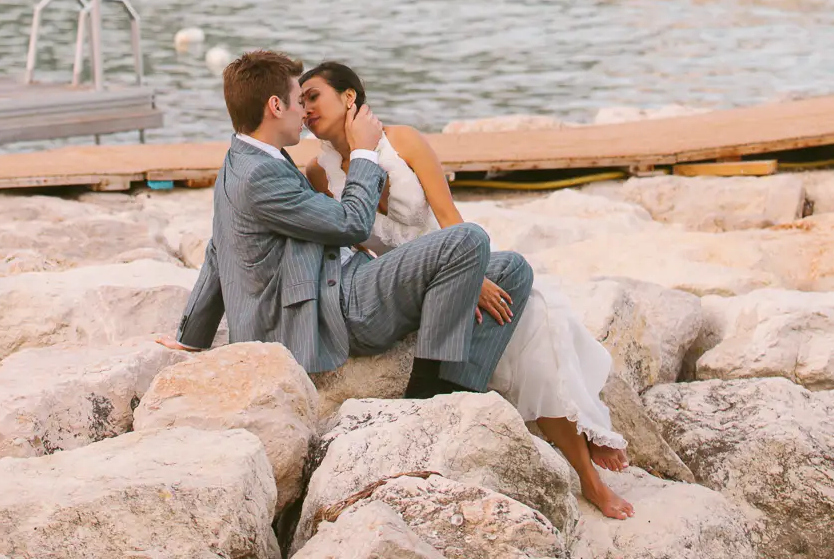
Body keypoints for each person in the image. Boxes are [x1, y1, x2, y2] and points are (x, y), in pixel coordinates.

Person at [300, 61, 634, 522]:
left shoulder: (405, 141)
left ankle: (581, 469)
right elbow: (362, 253)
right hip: (409, 285)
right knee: (527, 311)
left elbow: (447, 213)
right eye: (299, 101)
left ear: (350, 98)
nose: (304, 108)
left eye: (313, 96)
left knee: (523, 298)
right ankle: (578, 457)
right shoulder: (319, 173)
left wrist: (472, 280)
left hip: (459, 256)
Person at [165, 49, 534, 406]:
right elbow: (352, 223)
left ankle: (456, 389)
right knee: (468, 239)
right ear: (276, 107)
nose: (304, 112)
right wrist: (363, 151)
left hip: (349, 280)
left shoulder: (247, 159)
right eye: (298, 101)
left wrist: (193, 336)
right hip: (337, 307)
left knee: (512, 269)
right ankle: (425, 394)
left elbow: (219, 247)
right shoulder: (258, 173)